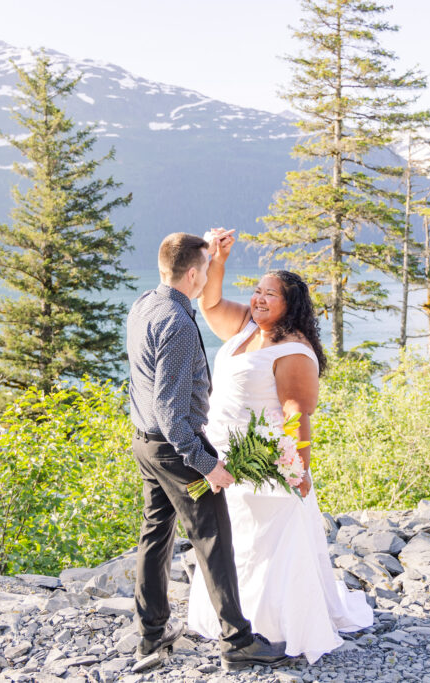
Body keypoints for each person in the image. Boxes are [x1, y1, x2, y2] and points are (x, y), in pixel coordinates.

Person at [186, 228, 374, 664]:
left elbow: (296, 413)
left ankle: (275, 626)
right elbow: (209, 303)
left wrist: (299, 468)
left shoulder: (293, 350)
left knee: (267, 542)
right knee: (232, 538)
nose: (259, 299)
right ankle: (233, 619)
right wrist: (219, 259)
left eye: (270, 294)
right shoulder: (247, 328)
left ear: (291, 305)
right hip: (224, 456)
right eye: (256, 291)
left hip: (266, 460)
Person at [126, 232, 290, 672]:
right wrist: (207, 465)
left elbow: (146, 391)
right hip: (177, 447)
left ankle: (151, 634)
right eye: (205, 269)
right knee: (214, 539)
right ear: (193, 274)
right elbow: (171, 409)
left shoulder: (145, 303)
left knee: (155, 535)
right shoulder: (178, 325)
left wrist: (209, 249)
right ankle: (238, 641)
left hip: (144, 442)